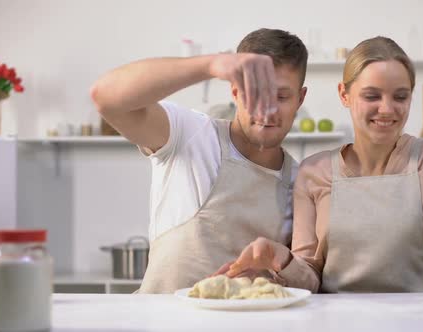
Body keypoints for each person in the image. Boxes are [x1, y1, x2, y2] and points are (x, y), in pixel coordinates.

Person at [222, 36, 423, 293]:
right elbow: (309, 278)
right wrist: (282, 259)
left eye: (400, 96)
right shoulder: (314, 172)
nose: (387, 109)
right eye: (372, 96)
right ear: (344, 95)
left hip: (414, 322)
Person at [90, 28, 308, 293]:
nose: (268, 109)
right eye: (256, 93)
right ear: (236, 92)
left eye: (282, 96)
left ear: (300, 99)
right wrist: (211, 64)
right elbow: (107, 97)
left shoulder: (300, 182)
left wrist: (270, 273)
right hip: (161, 321)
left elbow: (299, 276)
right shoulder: (190, 135)